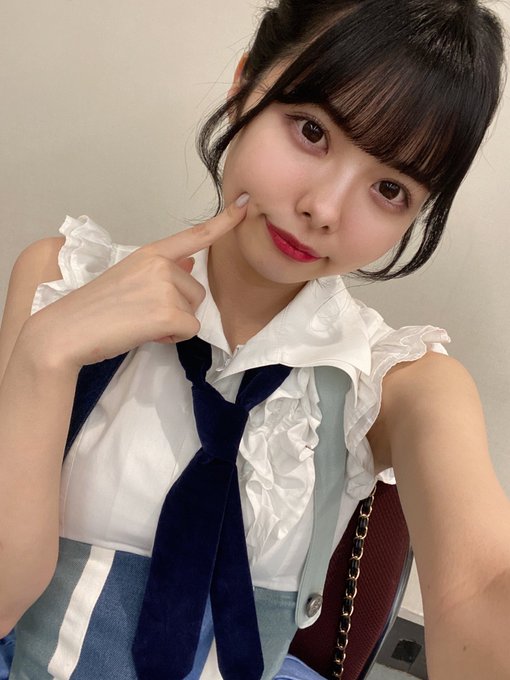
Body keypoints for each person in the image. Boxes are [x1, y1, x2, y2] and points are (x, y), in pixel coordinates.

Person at [0, 0, 509, 678]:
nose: (323, 209)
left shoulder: (398, 382)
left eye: (390, 188)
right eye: (312, 131)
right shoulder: (60, 280)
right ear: (244, 85)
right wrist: (43, 356)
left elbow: (481, 586)